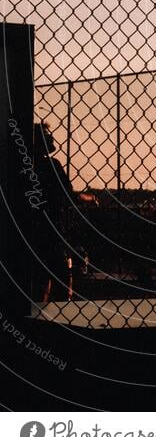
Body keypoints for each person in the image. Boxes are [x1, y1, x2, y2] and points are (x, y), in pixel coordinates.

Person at [32, 122, 73, 303]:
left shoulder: (26, 165)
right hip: (53, 229)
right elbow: (69, 194)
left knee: (41, 279)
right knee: (61, 277)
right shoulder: (52, 165)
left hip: (35, 228)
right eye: (47, 135)